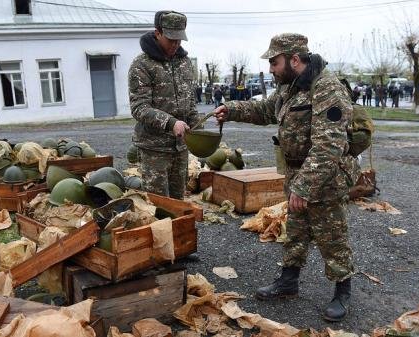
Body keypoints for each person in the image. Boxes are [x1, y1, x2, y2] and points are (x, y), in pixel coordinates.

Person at [214, 33, 357, 322]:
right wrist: (231, 110)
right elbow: (265, 109)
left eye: (274, 62)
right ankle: (288, 280)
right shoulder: (290, 87)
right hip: (295, 172)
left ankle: (343, 291)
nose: (271, 69)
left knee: (332, 235)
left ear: (294, 59)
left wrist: (303, 187)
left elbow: (329, 145)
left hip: (325, 177)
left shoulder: (327, 88)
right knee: (296, 230)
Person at [128, 10, 200, 200]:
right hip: (154, 150)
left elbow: (190, 101)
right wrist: (171, 122)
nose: (176, 44)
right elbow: (139, 107)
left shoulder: (184, 63)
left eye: (179, 39)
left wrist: (198, 127)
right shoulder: (141, 65)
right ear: (158, 33)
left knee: (178, 203)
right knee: (158, 205)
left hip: (180, 148)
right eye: (171, 39)